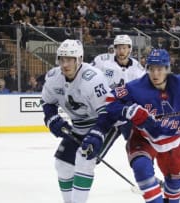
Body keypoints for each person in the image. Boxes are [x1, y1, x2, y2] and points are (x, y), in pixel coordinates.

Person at [87, 49, 180, 203]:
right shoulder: (136, 87)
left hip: (172, 142)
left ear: (167, 69)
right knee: (142, 167)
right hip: (143, 139)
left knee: (177, 182)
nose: (155, 74)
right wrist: (129, 111)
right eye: (152, 69)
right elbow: (110, 100)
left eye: (160, 69)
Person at [40, 39, 112, 203]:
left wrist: (97, 134)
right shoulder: (53, 77)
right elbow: (46, 101)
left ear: (79, 59)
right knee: (62, 165)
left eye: (70, 59)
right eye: (62, 59)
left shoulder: (92, 79)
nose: (65, 64)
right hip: (79, 127)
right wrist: (51, 119)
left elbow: (107, 112)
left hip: (105, 124)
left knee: (83, 159)